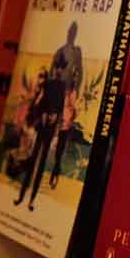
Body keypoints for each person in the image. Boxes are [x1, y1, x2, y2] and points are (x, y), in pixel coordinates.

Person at [14, 68, 59, 212]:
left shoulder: (49, 94)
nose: (41, 80)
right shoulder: (36, 95)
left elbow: (54, 113)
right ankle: (21, 197)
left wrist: (50, 118)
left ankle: (31, 201)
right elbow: (32, 114)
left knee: (40, 168)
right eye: (40, 76)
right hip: (37, 133)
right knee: (31, 165)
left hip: (47, 133)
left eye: (43, 76)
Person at [48, 22, 84, 189]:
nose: (72, 33)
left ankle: (56, 168)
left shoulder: (77, 52)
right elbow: (51, 72)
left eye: (74, 31)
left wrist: (75, 92)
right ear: (67, 33)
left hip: (68, 96)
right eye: (70, 31)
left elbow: (80, 72)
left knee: (63, 132)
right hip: (56, 94)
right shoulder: (59, 51)